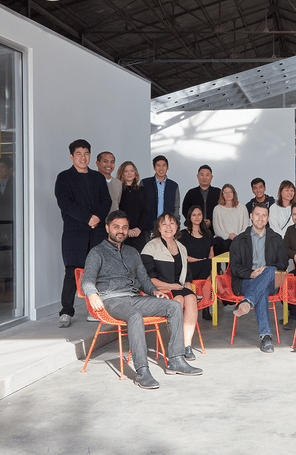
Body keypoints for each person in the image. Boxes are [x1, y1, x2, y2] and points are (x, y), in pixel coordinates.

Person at [81, 210, 202, 389]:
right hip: (112, 300)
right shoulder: (97, 252)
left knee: (174, 306)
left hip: (134, 297)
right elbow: (87, 279)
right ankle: (142, 371)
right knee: (135, 315)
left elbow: (144, 279)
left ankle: (176, 360)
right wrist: (92, 294)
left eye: (124, 227)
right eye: (116, 227)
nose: (120, 231)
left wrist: (154, 292)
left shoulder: (132, 252)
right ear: (107, 228)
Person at [54, 139, 111, 328]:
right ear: (71, 156)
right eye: (78, 154)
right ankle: (66, 311)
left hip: (97, 233)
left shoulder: (98, 177)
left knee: (96, 271)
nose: (82, 157)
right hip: (75, 233)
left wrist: (97, 218)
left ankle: (94, 309)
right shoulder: (64, 177)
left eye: (86, 153)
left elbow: (106, 201)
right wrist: (88, 218)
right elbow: (65, 203)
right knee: (72, 272)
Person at [228, 203, 288, 352]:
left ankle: (248, 301)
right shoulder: (239, 240)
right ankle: (266, 337)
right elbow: (234, 267)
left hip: (271, 280)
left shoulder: (276, 238)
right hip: (246, 281)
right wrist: (251, 274)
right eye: (257, 214)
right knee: (262, 291)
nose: (260, 218)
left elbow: (284, 263)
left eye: (264, 215)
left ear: (268, 218)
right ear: (251, 216)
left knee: (270, 269)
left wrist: (266, 270)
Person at [142, 213, 200, 361]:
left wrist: (190, 289)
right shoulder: (151, 247)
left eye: (172, 223)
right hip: (159, 289)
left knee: (191, 298)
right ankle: (176, 345)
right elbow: (147, 278)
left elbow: (187, 276)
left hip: (178, 286)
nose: (168, 227)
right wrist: (170, 286)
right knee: (178, 299)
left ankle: (187, 345)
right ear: (158, 228)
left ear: (177, 227)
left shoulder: (181, 247)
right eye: (164, 224)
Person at [141, 155, 180, 233]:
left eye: (164, 165)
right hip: (148, 227)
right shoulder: (145, 183)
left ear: (167, 167)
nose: (161, 168)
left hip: (167, 228)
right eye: (158, 165)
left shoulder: (174, 185)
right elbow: (140, 206)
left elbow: (176, 207)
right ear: (154, 167)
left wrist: (176, 224)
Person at [117, 161, 148, 252]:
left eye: (132, 170)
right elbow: (117, 211)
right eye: (126, 171)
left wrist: (139, 229)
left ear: (135, 174)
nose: (129, 173)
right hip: (122, 232)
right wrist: (126, 229)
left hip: (138, 233)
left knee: (138, 261)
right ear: (121, 174)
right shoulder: (118, 190)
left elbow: (146, 212)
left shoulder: (142, 190)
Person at [181, 165, 222, 235]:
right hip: (195, 231)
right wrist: (197, 221)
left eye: (207, 175)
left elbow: (223, 211)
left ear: (211, 177)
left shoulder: (218, 192)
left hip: (215, 231)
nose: (204, 177)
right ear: (197, 176)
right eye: (202, 174)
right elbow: (185, 210)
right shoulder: (191, 193)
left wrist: (212, 221)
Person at [212, 184, 249, 255]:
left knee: (231, 244)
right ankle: (219, 266)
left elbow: (245, 227)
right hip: (222, 239)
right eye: (225, 192)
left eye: (230, 192)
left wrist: (235, 236)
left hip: (238, 237)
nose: (228, 194)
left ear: (234, 193)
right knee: (218, 242)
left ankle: (230, 266)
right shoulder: (217, 209)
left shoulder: (242, 207)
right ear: (222, 194)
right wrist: (228, 236)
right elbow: (217, 229)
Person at [180, 205, 214, 281]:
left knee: (211, 265)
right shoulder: (182, 234)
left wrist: (209, 262)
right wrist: (199, 260)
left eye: (199, 214)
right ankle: (217, 290)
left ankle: (207, 290)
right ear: (189, 217)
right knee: (208, 265)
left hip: (206, 265)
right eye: (194, 215)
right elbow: (182, 256)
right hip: (189, 267)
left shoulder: (208, 233)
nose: (197, 217)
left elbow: (211, 253)